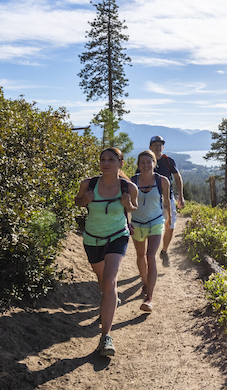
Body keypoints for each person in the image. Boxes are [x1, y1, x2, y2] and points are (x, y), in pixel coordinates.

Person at [74, 147, 137, 357]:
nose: (106, 163)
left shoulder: (128, 187)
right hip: (92, 239)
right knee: (102, 281)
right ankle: (110, 299)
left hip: (117, 236)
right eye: (103, 159)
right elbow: (78, 201)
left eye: (111, 159)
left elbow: (133, 207)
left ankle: (105, 337)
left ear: (120, 163)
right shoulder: (88, 184)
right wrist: (86, 200)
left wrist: (128, 205)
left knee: (110, 281)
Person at [129, 150, 171, 313]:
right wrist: (126, 221)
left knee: (150, 256)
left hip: (155, 222)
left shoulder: (162, 181)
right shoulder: (132, 182)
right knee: (140, 256)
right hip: (137, 223)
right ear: (138, 165)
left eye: (149, 162)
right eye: (142, 163)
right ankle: (145, 283)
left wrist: (167, 220)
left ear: (154, 163)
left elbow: (166, 203)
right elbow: (125, 204)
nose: (146, 165)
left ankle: (149, 298)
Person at [149, 135, 184, 265]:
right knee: (152, 227)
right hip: (151, 199)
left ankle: (164, 251)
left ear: (163, 146)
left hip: (167, 198)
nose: (158, 147)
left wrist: (180, 196)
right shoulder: (146, 161)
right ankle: (151, 254)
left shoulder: (168, 161)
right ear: (150, 147)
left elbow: (177, 177)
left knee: (170, 226)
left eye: (160, 144)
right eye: (155, 144)